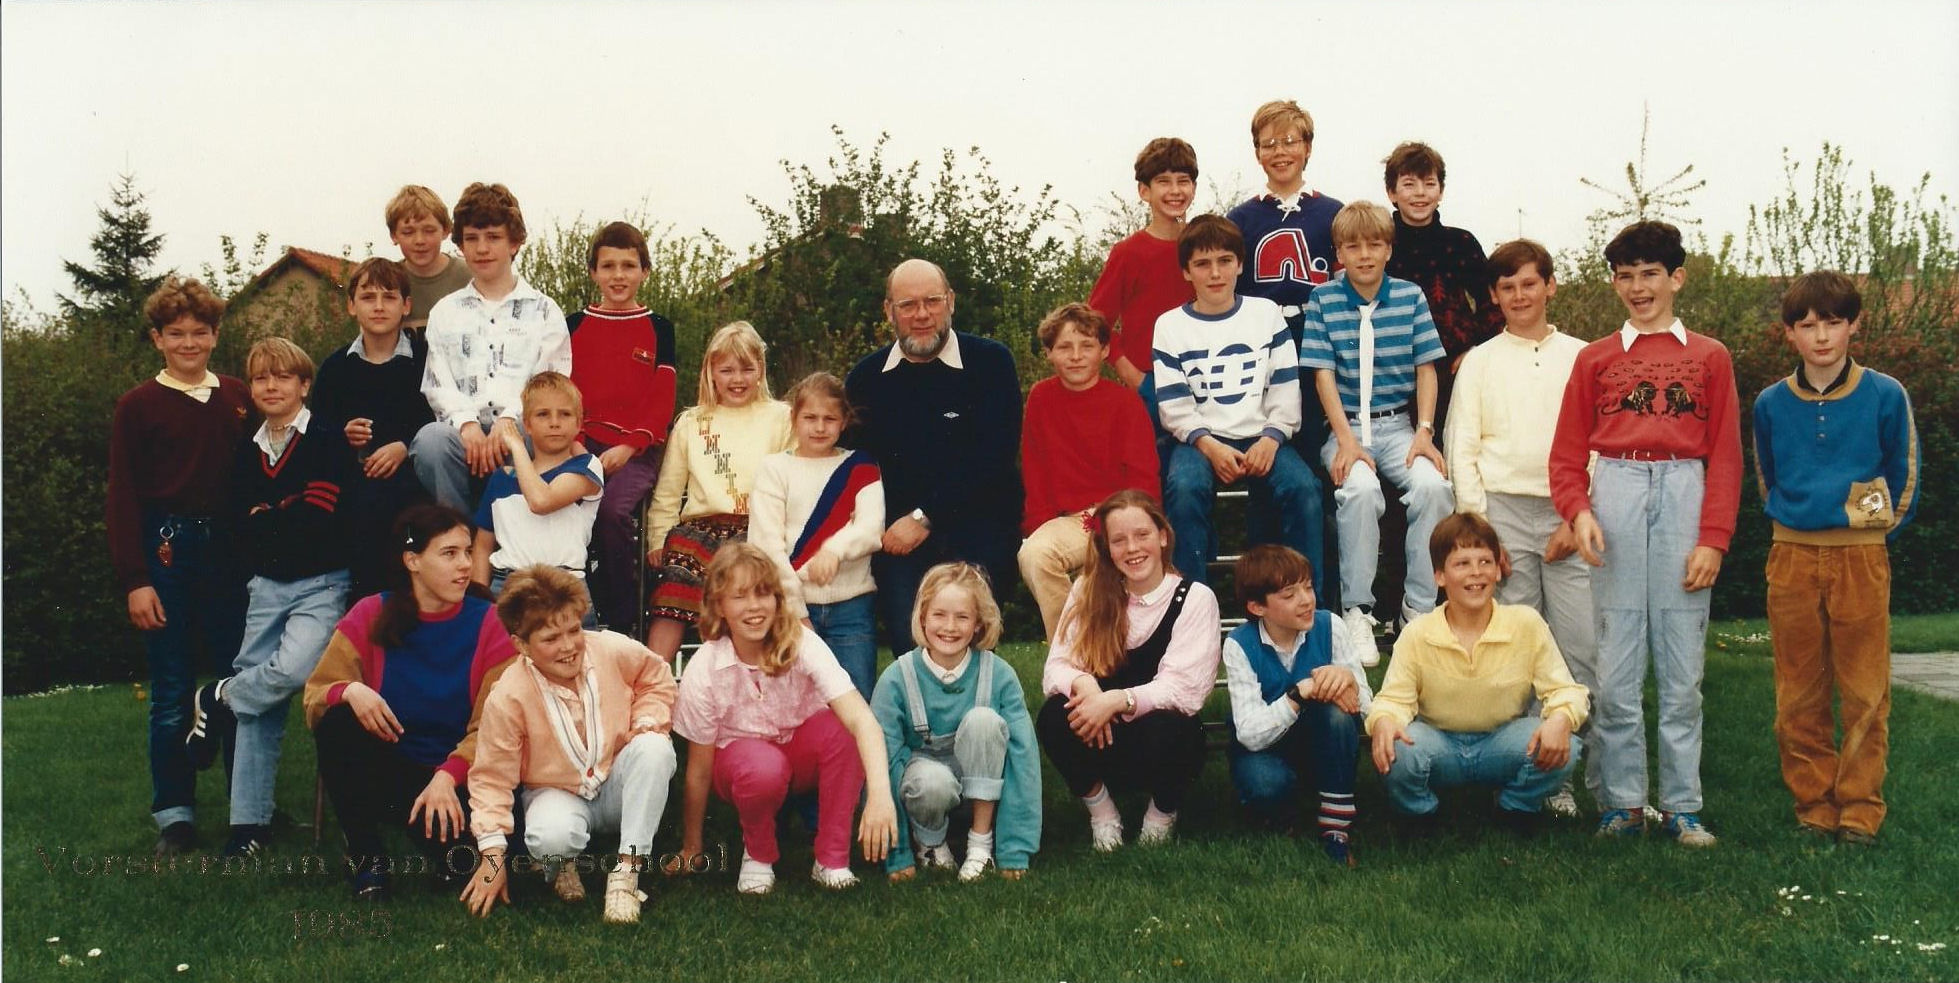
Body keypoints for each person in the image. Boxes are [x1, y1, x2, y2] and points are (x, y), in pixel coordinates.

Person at [1549, 220, 1742, 847]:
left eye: (1650, 274)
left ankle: (1683, 804)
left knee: (1682, 667)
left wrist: (1712, 537)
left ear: (1676, 278)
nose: (1638, 287)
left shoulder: (1710, 356)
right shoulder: (1596, 358)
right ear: (1614, 283)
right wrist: (1579, 512)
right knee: (1618, 658)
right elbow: (1567, 453)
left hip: (1685, 491)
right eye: (1626, 276)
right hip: (1618, 496)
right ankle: (1623, 801)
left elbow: (1728, 456)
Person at [1755, 271, 1919, 847]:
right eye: (1807, 325)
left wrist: (1866, 534)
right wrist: (1795, 521)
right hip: (1792, 558)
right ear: (1790, 334)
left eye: (1832, 322)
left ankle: (1858, 810)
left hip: (1860, 560)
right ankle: (1813, 805)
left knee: (1864, 691)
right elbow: (1767, 476)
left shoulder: (1885, 394)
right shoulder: (1771, 403)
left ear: (1853, 325)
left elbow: (1903, 477)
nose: (1821, 335)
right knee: (1798, 691)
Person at [184, 338, 356, 858]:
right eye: (261, 379)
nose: (272, 386)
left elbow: (322, 514)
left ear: (304, 385)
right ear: (252, 388)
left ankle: (219, 698)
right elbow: (239, 522)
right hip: (265, 585)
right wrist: (282, 510)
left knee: (292, 670)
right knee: (261, 708)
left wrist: (271, 514)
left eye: (283, 377)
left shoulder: (326, 438)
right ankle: (248, 825)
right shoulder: (248, 448)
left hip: (323, 582)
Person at [1444, 239, 1598, 816]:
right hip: (1501, 514)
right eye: (1506, 288)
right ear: (1493, 296)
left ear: (1550, 285)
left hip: (1567, 512)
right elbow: (1462, 446)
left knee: (1580, 650)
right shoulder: (1480, 360)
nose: (1518, 296)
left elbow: (1598, 443)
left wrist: (1574, 515)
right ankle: (1539, 778)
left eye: (1529, 284)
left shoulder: (1582, 356)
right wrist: (1484, 538)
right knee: (1517, 651)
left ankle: (1596, 777)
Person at [303, 504, 518, 901]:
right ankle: (368, 859)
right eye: (449, 553)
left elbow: (495, 726)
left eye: (468, 552)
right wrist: (350, 690)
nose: (465, 565)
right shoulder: (371, 613)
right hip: (392, 775)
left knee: (466, 865)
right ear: (412, 561)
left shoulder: (490, 622)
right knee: (338, 724)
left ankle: (447, 849)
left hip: (463, 780)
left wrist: (447, 776)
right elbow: (316, 696)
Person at [108, 276, 252, 856]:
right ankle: (175, 812)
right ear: (157, 339)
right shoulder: (138, 405)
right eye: (176, 334)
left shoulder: (238, 396)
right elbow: (122, 496)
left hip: (230, 554)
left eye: (200, 332)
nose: (189, 343)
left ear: (216, 335)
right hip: (166, 552)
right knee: (171, 686)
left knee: (237, 683)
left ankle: (250, 807)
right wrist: (136, 580)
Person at [671, 543, 898, 894]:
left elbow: (863, 721)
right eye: (739, 596)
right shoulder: (705, 667)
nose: (754, 607)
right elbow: (698, 770)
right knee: (762, 766)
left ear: (778, 600)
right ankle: (758, 855)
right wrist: (692, 847)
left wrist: (880, 797)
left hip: (799, 753)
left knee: (842, 730)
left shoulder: (801, 642)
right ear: (719, 606)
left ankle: (832, 859)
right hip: (741, 766)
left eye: (763, 594)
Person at [462, 565, 679, 924]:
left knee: (655, 749)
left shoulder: (609, 648)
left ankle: (627, 873)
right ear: (521, 644)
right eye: (550, 639)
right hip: (555, 792)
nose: (568, 647)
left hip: (615, 782)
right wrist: (492, 857)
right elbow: (491, 780)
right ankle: (561, 863)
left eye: (573, 630)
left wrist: (643, 725)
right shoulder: (507, 696)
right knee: (551, 836)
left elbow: (655, 676)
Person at [1366, 514, 1589, 836]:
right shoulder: (1418, 632)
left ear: (1498, 569)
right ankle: (1419, 814)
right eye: (1462, 563)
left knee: (1565, 742)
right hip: (1438, 743)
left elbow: (1567, 691)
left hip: (1503, 741)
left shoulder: (1525, 623)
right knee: (1398, 748)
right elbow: (1392, 700)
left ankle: (1516, 807)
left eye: (1485, 561)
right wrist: (1385, 721)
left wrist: (1560, 718)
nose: (1476, 573)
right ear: (1440, 576)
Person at [1300, 200, 1454, 663]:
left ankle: (1419, 611)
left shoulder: (1409, 296)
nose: (1364, 255)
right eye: (1353, 246)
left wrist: (1425, 432)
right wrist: (1346, 442)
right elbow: (1323, 373)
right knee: (1361, 492)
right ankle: (1357, 611)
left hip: (1398, 426)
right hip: (1345, 427)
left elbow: (1427, 367)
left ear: (1388, 249)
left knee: (1434, 487)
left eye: (1374, 244)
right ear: (1339, 253)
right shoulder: (1324, 299)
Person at [844, 258, 1022, 654]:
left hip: (978, 529)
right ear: (888, 310)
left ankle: (980, 716)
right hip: (898, 541)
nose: (922, 315)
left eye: (932, 301)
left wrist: (927, 517)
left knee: (968, 640)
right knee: (914, 647)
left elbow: (994, 457)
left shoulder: (991, 363)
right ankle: (920, 716)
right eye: (907, 305)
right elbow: (857, 471)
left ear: (951, 302)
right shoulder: (866, 379)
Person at [1036, 490, 1220, 851]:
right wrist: (1085, 685)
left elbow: (1185, 690)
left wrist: (1118, 701)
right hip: (1101, 739)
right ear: (1107, 549)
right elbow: (1056, 666)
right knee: (1054, 716)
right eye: (1119, 540)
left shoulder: (1194, 598)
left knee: (1179, 729)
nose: (1132, 548)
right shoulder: (1089, 590)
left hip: (1158, 743)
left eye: (1142, 535)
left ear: (1163, 536)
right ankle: (1102, 812)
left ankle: (1161, 814)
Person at [1152, 215, 1324, 593]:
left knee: (1305, 489)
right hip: (1201, 441)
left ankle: (1311, 607)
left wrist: (1271, 438)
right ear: (1186, 271)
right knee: (1182, 489)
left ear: (1240, 264)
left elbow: (1284, 389)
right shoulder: (1169, 326)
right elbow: (1174, 406)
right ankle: (1188, 611)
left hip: (1263, 437)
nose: (1215, 273)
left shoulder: (1265, 314)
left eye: (1225, 261)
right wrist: (1209, 447)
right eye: (1202, 263)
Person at [872, 562, 1041, 883]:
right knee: (931, 780)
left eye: (962, 617)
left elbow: (1024, 762)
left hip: (983, 792)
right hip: (926, 793)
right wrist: (897, 855)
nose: (949, 627)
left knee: (984, 721)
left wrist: (1015, 849)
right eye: (939, 615)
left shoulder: (999, 675)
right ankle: (931, 845)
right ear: (922, 616)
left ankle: (980, 845)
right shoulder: (897, 678)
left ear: (978, 624)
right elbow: (883, 764)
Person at [412, 182, 571, 512]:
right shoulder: (445, 312)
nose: (482, 248)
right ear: (459, 245)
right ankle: (460, 540)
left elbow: (550, 383)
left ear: (515, 242)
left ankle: (512, 548)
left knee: (540, 439)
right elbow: (437, 383)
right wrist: (467, 424)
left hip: (522, 431)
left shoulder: (544, 310)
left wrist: (509, 422)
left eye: (493, 237)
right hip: (463, 435)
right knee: (430, 442)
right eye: (472, 238)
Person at [643, 321, 792, 659]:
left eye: (746, 369)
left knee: (749, 590)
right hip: (700, 530)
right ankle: (652, 681)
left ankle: (754, 676)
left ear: (761, 370)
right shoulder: (693, 421)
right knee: (675, 577)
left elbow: (793, 481)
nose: (736, 379)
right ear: (711, 371)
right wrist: (658, 538)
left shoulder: (781, 417)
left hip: (758, 527)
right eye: (726, 370)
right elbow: (668, 489)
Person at [1016, 303, 1159, 639]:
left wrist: (1110, 521)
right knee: (1034, 554)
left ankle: (1081, 651)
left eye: (1087, 346)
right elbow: (1035, 468)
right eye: (1065, 347)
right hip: (1066, 521)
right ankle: (1070, 652)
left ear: (1105, 350)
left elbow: (1143, 479)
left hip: (1117, 516)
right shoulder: (1041, 398)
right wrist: (1038, 526)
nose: (1076, 356)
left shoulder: (1125, 403)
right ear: (1049, 353)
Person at [1221, 545, 1368, 867]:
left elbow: (1367, 708)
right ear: (1258, 607)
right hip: (1265, 749)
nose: (1306, 600)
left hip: (1322, 743)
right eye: (1289, 594)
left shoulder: (1330, 626)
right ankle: (1282, 815)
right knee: (1265, 784)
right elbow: (1249, 733)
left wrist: (1347, 682)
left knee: (1339, 712)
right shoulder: (1239, 644)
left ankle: (1336, 828)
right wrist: (1298, 694)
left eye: (1308, 586)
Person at [567, 221, 680, 632]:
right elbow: (564, 393)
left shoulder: (659, 328)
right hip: (578, 445)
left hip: (635, 450)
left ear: (644, 271)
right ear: (594, 272)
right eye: (608, 266)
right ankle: (578, 613)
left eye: (628, 266)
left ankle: (624, 623)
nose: (618, 276)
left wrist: (630, 447)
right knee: (562, 507)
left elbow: (661, 399)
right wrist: (577, 444)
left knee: (612, 511)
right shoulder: (574, 325)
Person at [749, 372, 885, 697]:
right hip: (790, 606)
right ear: (794, 418)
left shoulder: (861, 467)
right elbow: (766, 545)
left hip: (852, 607)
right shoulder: (774, 469)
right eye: (810, 417)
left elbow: (871, 527)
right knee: (792, 702)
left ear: (844, 422)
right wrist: (796, 610)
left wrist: (834, 550)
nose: (820, 427)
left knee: (856, 698)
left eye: (830, 418)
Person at [312, 256, 434, 597]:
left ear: (406, 305)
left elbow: (438, 417)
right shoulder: (336, 369)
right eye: (368, 297)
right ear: (352, 306)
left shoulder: (424, 360)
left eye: (389, 297)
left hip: (414, 489)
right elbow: (317, 431)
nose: (378, 307)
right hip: (356, 491)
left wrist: (403, 445)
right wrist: (343, 435)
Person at [1380, 141, 1503, 428]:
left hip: (1455, 370)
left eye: (1429, 183)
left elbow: (1492, 302)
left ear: (1441, 191)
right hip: (1394, 373)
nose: (1420, 193)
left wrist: (1475, 352)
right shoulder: (1380, 242)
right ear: (1392, 193)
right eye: (1409, 184)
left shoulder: (1460, 242)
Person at [469, 372, 603, 600]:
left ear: (578, 424)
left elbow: (541, 501)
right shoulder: (502, 479)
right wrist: (478, 603)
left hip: (564, 588)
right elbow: (482, 546)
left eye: (565, 414)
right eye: (543, 414)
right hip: (507, 586)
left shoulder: (587, 465)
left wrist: (518, 447)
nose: (554, 422)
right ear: (527, 425)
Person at [1226, 100, 1344, 353]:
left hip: (1320, 336)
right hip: (1258, 338)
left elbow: (1347, 284)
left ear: (1308, 147)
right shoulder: (1238, 219)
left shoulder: (1334, 213)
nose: (1280, 152)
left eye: (1290, 141)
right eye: (1269, 144)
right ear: (1257, 154)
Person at [1086, 137, 1197, 393]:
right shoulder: (1128, 253)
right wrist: (1134, 376)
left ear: (1193, 187)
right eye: (1163, 182)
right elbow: (1095, 321)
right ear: (1144, 191)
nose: (1175, 190)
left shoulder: (1204, 245)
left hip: (1206, 376)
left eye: (1183, 181)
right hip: (1149, 380)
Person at [383, 185, 471, 331]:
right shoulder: (386, 282)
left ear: (446, 231)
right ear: (394, 235)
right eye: (408, 232)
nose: (419, 240)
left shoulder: (469, 277)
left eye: (429, 231)